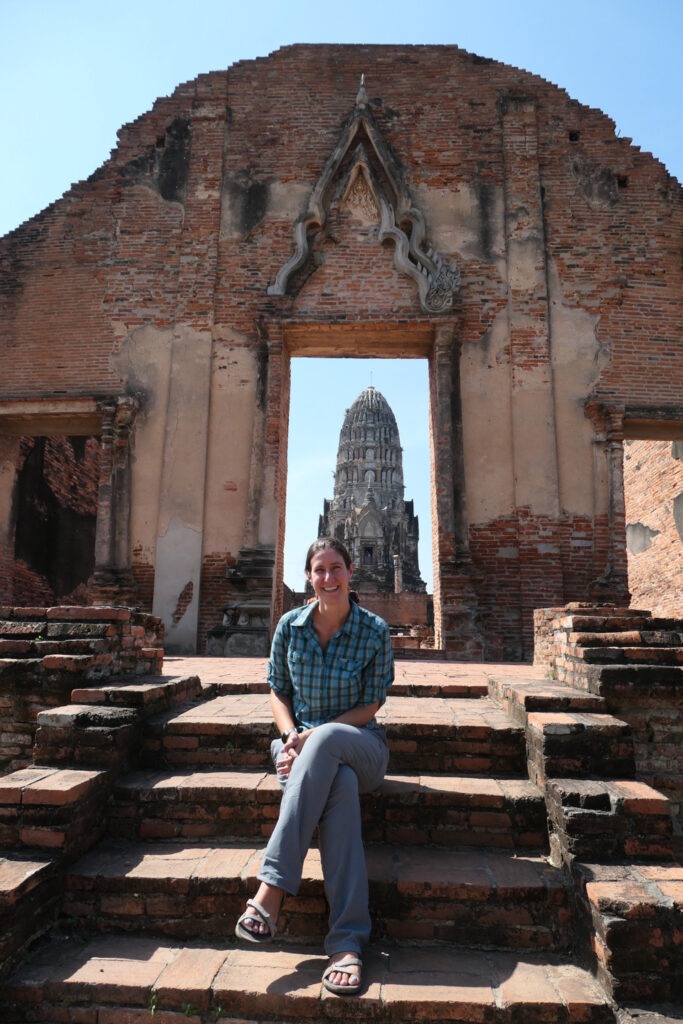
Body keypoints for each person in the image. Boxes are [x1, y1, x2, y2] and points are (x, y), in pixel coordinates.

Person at [235, 537, 394, 996]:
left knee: (328, 743)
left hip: (362, 745)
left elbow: (372, 705)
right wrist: (290, 737)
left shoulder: (374, 630)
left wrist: (311, 736)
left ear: (349, 573)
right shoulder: (290, 625)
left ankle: (270, 893)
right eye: (320, 570)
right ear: (309, 575)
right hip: (299, 748)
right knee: (338, 789)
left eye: (337, 568)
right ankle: (347, 943)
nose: (329, 578)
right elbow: (277, 691)